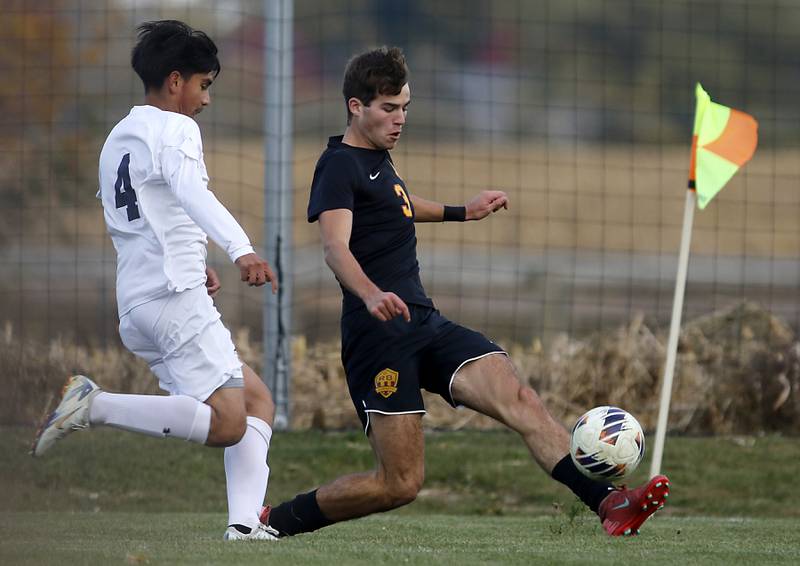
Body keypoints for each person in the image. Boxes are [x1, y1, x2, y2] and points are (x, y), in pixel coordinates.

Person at [262, 46, 670, 538]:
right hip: (378, 338)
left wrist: (463, 210)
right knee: (400, 484)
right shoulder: (338, 166)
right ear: (356, 106)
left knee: (520, 398)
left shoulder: (378, 160)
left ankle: (609, 504)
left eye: (405, 108)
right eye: (389, 108)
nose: (400, 119)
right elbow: (334, 247)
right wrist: (370, 294)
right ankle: (273, 522)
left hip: (424, 323)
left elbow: (400, 205)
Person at [31, 20, 280, 541]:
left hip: (138, 304)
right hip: (173, 299)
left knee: (256, 401)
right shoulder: (177, 128)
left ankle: (243, 526)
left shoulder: (119, 138)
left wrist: (193, 256)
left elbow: (142, 218)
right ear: (175, 80)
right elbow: (191, 193)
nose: (206, 100)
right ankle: (93, 404)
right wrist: (241, 250)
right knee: (230, 420)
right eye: (203, 85)